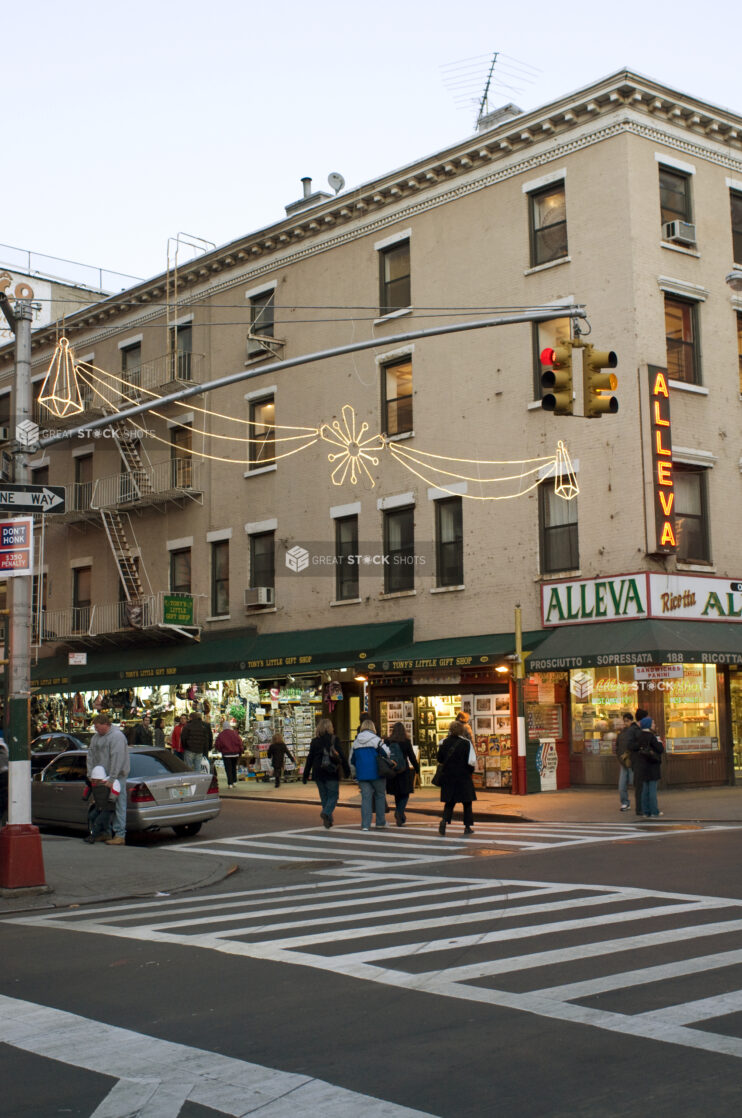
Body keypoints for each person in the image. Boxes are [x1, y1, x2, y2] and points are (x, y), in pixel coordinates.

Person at [86, 712, 130, 846]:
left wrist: (112, 778)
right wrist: (90, 774)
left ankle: (119, 835)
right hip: (100, 777)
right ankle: (105, 832)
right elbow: (90, 756)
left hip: (116, 777)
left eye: (98, 727)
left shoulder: (117, 737)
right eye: (95, 727)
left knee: (118, 804)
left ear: (106, 725)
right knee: (102, 805)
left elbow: (117, 758)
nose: (96, 729)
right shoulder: (95, 738)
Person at [302, 717, 350, 827]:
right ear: (330, 727)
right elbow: (341, 755)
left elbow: (310, 758)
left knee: (324, 797)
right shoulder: (334, 739)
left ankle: (328, 820)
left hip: (318, 772)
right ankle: (326, 813)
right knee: (333, 796)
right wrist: (346, 770)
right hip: (331, 771)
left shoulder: (314, 741)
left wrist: (305, 775)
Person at [437, 719, 477, 836]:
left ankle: (444, 820)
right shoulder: (466, 743)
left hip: (449, 777)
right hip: (463, 777)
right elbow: (471, 762)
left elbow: (439, 759)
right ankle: (467, 826)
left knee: (449, 802)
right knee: (467, 803)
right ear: (461, 731)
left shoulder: (444, 742)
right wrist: (469, 772)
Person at [350, 719, 390, 831]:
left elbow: (352, 760)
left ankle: (365, 825)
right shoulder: (376, 740)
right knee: (380, 796)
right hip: (377, 773)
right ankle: (380, 822)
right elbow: (387, 752)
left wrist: (354, 773)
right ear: (373, 727)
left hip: (362, 774)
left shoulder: (356, 742)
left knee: (366, 799)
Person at [384, 721, 420, 826]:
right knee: (405, 793)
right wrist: (417, 769)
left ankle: (401, 816)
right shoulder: (406, 741)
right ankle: (399, 812)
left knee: (397, 794)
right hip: (403, 770)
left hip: (392, 770)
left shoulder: (388, 741)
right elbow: (412, 757)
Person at [630, 715, 665, 818]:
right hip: (652, 766)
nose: (654, 725)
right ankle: (654, 811)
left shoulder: (639, 735)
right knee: (652, 790)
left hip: (642, 766)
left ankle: (646, 811)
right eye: (653, 723)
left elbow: (634, 747)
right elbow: (660, 749)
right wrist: (659, 742)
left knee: (644, 790)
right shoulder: (651, 737)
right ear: (649, 725)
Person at [85, 765, 118, 843]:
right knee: (93, 817)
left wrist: (112, 797)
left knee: (99, 821)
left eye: (95, 780)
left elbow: (115, 789)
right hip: (99, 806)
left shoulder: (108, 783)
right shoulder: (94, 784)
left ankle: (94, 836)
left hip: (107, 807)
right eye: (93, 780)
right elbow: (88, 789)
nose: (94, 781)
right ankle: (105, 834)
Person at [615, 712, 639, 812]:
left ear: (631, 720)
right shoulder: (622, 733)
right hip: (624, 763)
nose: (625, 723)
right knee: (622, 785)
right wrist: (620, 757)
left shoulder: (635, 731)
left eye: (627, 721)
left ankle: (639, 802)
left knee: (635, 783)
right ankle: (625, 803)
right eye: (624, 721)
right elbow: (617, 746)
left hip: (632, 762)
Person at [215, 721, 244, 788]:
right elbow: (240, 742)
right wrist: (241, 751)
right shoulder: (235, 733)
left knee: (228, 769)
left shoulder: (221, 735)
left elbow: (217, 744)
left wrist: (221, 750)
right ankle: (234, 781)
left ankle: (230, 783)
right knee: (234, 768)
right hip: (235, 754)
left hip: (226, 754)